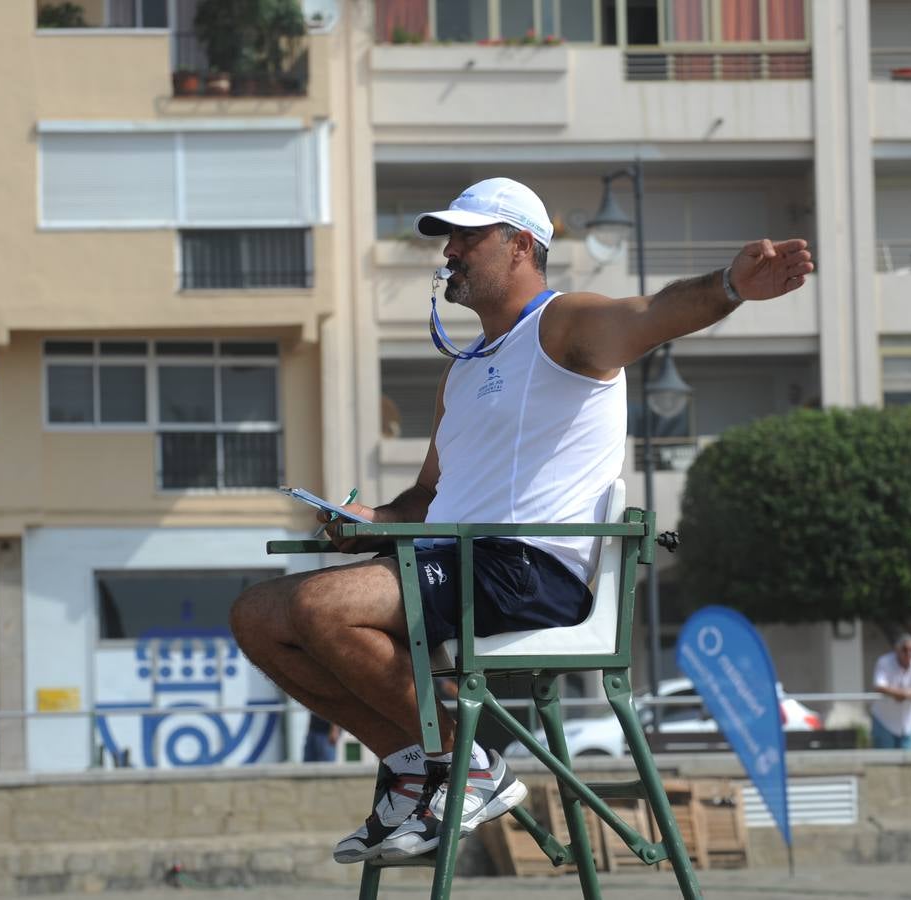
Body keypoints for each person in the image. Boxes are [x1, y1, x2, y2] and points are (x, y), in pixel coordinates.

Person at [230, 177, 813, 864]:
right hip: (456, 558)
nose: (449, 251)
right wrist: (368, 518)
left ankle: (466, 764)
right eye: (449, 238)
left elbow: (651, 311)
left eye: (467, 237)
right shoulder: (465, 369)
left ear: (521, 246)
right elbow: (426, 495)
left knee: (321, 607)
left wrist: (731, 285)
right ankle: (421, 766)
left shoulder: (562, 324)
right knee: (257, 615)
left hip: (528, 568)